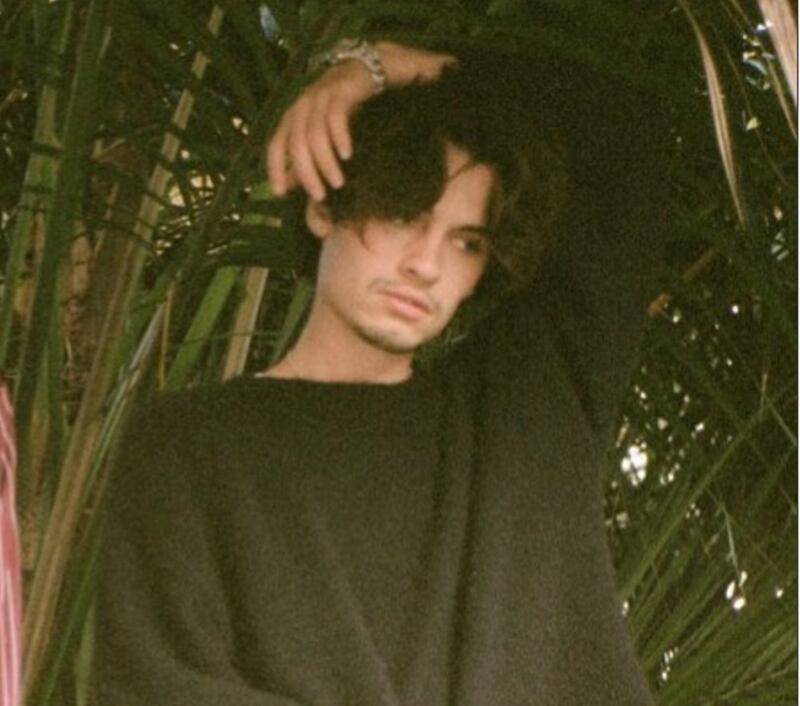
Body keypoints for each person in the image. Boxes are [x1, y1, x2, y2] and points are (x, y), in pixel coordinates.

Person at [92, 39, 667, 705]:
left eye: (466, 241)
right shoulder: (189, 444)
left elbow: (623, 136)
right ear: (322, 204)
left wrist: (380, 66)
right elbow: (153, 688)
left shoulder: (522, 415)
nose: (427, 264)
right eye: (404, 215)